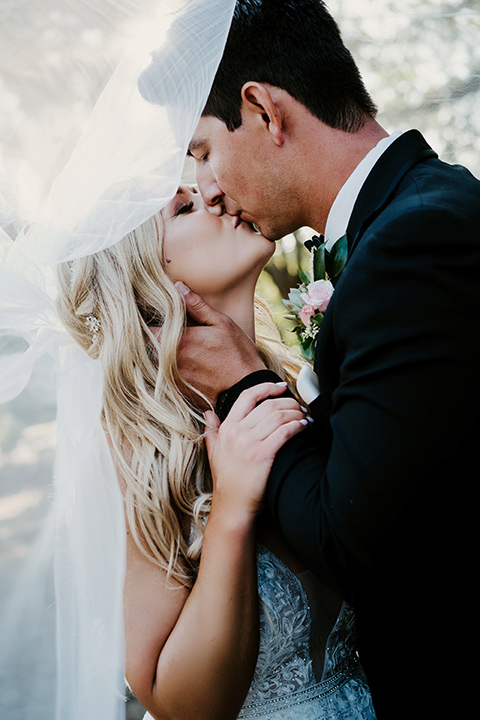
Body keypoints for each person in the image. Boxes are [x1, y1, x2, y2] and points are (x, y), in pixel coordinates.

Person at [148, 1, 480, 717]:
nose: (206, 188)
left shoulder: (412, 243)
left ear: (264, 110)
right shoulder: (422, 212)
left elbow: (358, 542)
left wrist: (244, 386)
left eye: (203, 150)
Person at [55, 185, 377, 720]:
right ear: (147, 280)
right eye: (183, 208)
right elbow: (179, 705)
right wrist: (232, 505)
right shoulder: (140, 445)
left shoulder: (301, 386)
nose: (217, 197)